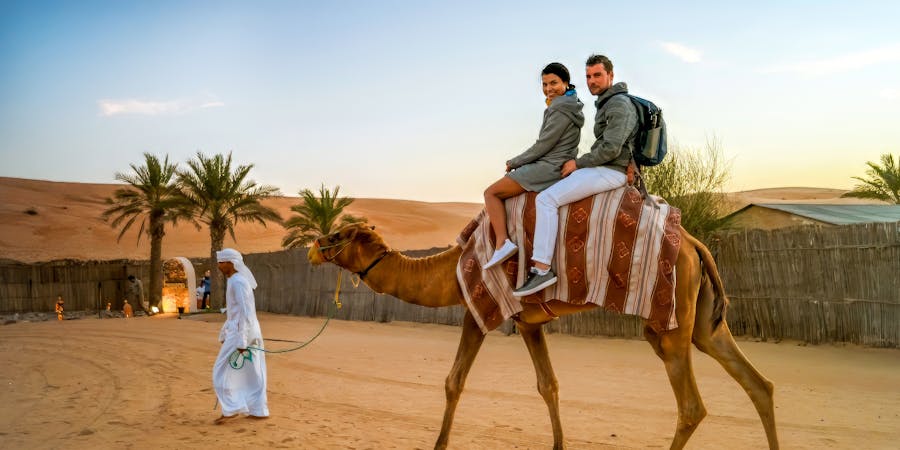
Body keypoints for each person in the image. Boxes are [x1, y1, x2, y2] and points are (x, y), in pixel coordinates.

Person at [514, 54, 636, 296]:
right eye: (589, 76)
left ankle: (541, 269)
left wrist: (578, 164)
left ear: (611, 75)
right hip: (608, 167)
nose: (592, 81)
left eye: (597, 75)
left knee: (545, 199)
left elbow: (611, 148)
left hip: (611, 171)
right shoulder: (607, 103)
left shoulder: (618, 104)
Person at [482, 62, 585, 269]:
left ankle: (502, 243)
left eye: (554, 83)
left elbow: (543, 145)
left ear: (566, 82)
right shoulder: (570, 104)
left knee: (490, 193)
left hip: (548, 166)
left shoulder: (560, 109)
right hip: (555, 161)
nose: (549, 89)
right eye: (545, 84)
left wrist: (515, 162)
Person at [212, 248, 268, 424]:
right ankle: (259, 410)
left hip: (243, 333)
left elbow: (245, 313)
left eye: (222, 262)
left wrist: (242, 340)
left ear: (231, 263)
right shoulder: (234, 281)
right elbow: (234, 312)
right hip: (243, 331)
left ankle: (231, 408)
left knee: (220, 371)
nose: (219, 266)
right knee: (253, 372)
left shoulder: (238, 283)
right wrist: (225, 332)